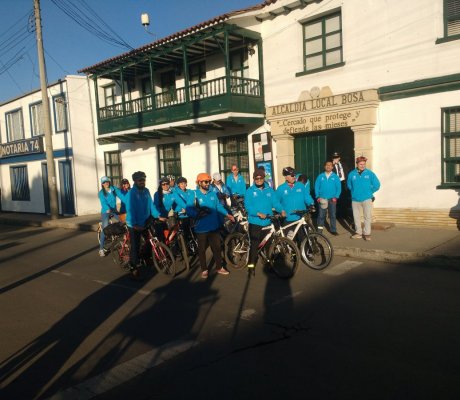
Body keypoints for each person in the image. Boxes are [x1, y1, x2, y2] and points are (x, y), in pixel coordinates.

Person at [188, 172, 234, 278]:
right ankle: (204, 269)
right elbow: (188, 208)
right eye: (205, 181)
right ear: (199, 182)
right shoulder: (194, 194)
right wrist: (198, 214)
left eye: (208, 181)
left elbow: (218, 206)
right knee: (202, 250)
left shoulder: (212, 193)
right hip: (201, 228)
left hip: (213, 227)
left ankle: (219, 267)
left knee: (217, 248)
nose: (208, 183)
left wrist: (228, 214)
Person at [245, 169, 285, 271]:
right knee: (254, 245)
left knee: (269, 244)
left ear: (263, 178)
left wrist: (281, 210)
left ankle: (269, 264)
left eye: (261, 178)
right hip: (255, 222)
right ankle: (251, 266)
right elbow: (248, 207)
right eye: (256, 178)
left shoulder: (269, 190)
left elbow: (275, 203)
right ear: (254, 179)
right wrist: (258, 213)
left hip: (267, 222)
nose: (259, 180)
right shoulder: (250, 191)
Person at [125, 171, 160, 272]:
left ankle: (145, 257)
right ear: (135, 181)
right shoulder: (131, 193)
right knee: (135, 246)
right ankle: (133, 267)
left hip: (145, 221)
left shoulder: (146, 191)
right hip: (134, 223)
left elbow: (151, 205)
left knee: (150, 240)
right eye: (140, 180)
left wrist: (158, 215)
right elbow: (130, 209)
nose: (142, 182)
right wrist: (134, 224)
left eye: (143, 180)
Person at [347, 156, 381, 241]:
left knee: (367, 216)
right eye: (361, 164)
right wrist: (354, 191)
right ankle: (358, 233)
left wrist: (370, 192)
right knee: (356, 217)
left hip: (367, 198)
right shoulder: (352, 174)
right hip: (355, 199)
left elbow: (377, 185)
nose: (362, 165)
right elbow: (349, 185)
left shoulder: (370, 173)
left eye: (364, 164)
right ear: (357, 164)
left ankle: (367, 233)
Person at [276, 166, 314, 237]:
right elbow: (276, 202)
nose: (294, 177)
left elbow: (306, 196)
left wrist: (311, 203)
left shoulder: (301, 186)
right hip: (288, 219)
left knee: (303, 240)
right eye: (292, 175)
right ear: (286, 176)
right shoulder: (281, 188)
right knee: (289, 243)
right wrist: (281, 210)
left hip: (300, 218)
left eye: (294, 175)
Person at [315, 161, 342, 235]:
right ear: (325, 166)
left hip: (332, 199)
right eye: (327, 165)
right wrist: (317, 196)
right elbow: (316, 187)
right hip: (322, 198)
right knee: (321, 215)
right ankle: (319, 231)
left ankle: (333, 230)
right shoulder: (320, 176)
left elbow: (339, 188)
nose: (328, 166)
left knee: (332, 215)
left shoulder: (335, 176)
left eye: (330, 165)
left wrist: (336, 197)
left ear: (332, 167)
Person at [98, 176, 119, 257]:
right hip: (106, 212)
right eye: (104, 182)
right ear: (102, 184)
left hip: (114, 210)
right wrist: (107, 209)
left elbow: (121, 195)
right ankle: (101, 249)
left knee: (123, 221)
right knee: (105, 228)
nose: (106, 183)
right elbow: (103, 203)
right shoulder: (101, 193)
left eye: (107, 182)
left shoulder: (114, 189)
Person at [331, 152, 350, 218]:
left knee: (344, 199)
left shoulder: (344, 165)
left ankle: (344, 215)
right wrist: (332, 166)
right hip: (336, 184)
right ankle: (337, 215)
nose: (335, 159)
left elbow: (347, 173)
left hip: (343, 183)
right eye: (334, 158)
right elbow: (328, 174)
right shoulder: (331, 166)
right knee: (336, 199)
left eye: (336, 158)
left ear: (339, 158)